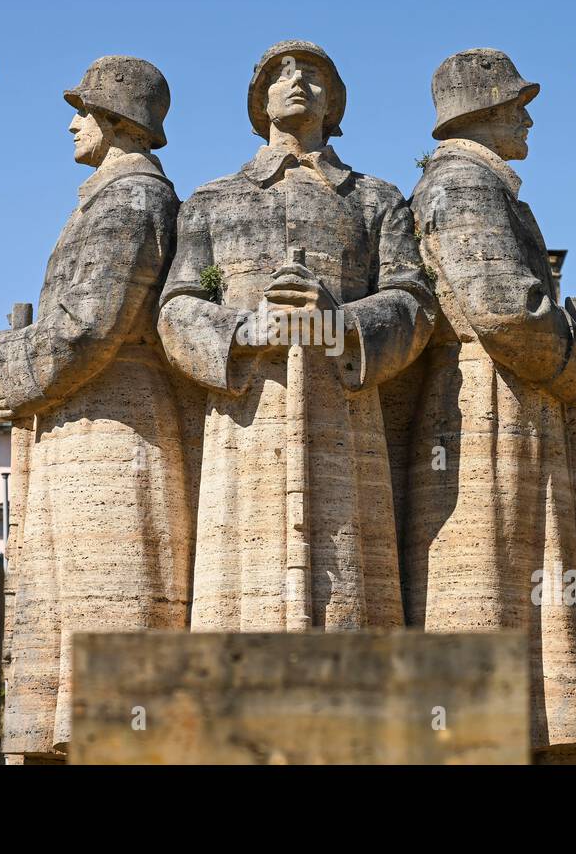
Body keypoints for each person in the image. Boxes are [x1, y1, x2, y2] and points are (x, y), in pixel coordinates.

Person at [157, 40, 433, 631]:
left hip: (346, 410)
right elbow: (176, 306)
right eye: (279, 75)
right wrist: (242, 332)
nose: (296, 81)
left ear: (334, 102)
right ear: (259, 102)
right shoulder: (213, 198)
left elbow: (413, 302)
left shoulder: (377, 199)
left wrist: (342, 318)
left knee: (353, 593)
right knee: (236, 597)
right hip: (244, 416)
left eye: (312, 74)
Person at [405, 48, 576, 763]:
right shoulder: (464, 184)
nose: (526, 115)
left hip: (512, 396)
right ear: (480, 111)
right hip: (487, 400)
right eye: (515, 102)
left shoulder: (485, 185)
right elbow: (505, 312)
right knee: (491, 576)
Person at [0, 55, 191, 760]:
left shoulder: (130, 200)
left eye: (84, 110)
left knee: (108, 599)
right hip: (82, 415)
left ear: (116, 120)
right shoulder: (104, 197)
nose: (74, 124)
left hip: (112, 421)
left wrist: (8, 360)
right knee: (68, 604)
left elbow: (90, 325)